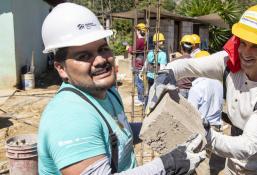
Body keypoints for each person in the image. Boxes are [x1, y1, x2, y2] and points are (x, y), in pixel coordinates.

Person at [38, 3, 205, 175]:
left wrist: (165, 125)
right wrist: (169, 164)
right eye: (84, 56)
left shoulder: (108, 92)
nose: (100, 60)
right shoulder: (70, 118)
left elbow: (119, 133)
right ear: (61, 68)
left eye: (103, 49)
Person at [147, 4, 257, 175]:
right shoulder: (230, 64)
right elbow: (190, 66)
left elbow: (246, 147)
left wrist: (207, 135)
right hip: (234, 159)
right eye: (242, 43)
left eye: (256, 46)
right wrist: (167, 73)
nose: (245, 52)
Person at [188, 54, 223, 131]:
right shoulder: (218, 83)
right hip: (217, 128)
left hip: (203, 129)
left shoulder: (196, 88)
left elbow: (191, 114)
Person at [129, 23, 147, 106]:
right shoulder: (144, 40)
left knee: (138, 82)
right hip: (140, 62)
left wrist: (128, 48)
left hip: (138, 63)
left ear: (139, 31)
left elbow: (133, 51)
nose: (136, 31)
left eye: (137, 30)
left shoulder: (139, 40)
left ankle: (141, 99)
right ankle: (140, 97)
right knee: (139, 81)